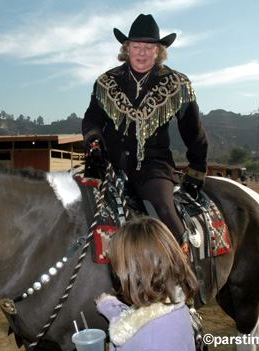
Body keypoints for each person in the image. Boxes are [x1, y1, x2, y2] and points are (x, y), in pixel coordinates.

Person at [82, 14, 208, 245]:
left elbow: (193, 132)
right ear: (126, 48)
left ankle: (184, 270)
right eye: (136, 46)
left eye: (148, 47)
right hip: (107, 164)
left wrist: (196, 172)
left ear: (158, 51)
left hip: (153, 167)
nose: (141, 52)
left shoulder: (177, 84)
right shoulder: (105, 82)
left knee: (163, 210)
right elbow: (92, 119)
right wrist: (95, 144)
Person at [95, 217, 198, 350]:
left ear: (134, 272)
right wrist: (110, 307)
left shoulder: (154, 344)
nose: (116, 272)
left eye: (118, 265)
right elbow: (142, 320)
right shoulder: (168, 304)